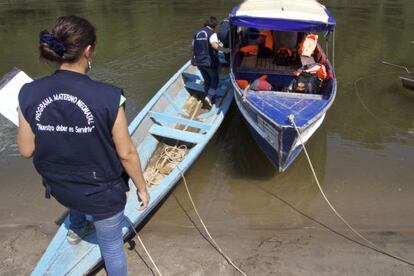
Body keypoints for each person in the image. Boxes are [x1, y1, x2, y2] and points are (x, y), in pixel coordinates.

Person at [17, 15, 149, 276]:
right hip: (99, 192)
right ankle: (80, 227)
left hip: (59, 186)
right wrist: (142, 187)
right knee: (111, 247)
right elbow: (126, 152)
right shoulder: (110, 96)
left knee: (74, 174)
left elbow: (25, 150)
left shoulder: (27, 92)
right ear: (88, 51)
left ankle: (76, 229)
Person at [192, 16, 230, 107]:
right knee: (215, 79)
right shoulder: (212, 33)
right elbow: (214, 45)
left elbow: (193, 48)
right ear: (215, 25)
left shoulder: (196, 33)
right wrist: (225, 50)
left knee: (207, 80)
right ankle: (209, 97)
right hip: (209, 62)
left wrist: (192, 59)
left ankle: (208, 97)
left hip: (198, 61)